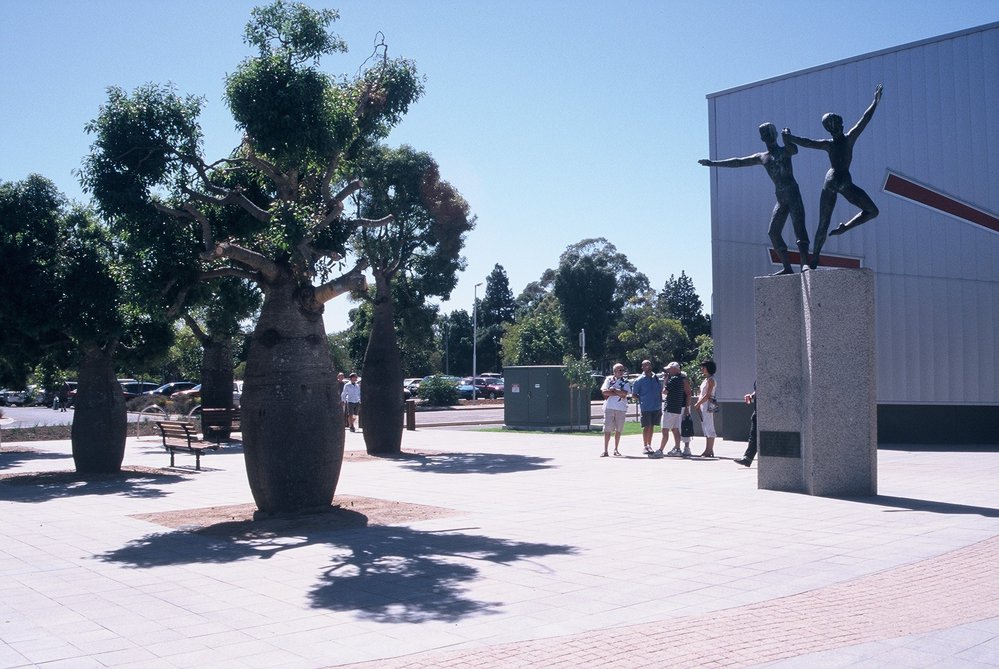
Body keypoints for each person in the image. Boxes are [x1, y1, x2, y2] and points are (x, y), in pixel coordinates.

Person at [782, 84, 883, 268]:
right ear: (828, 130)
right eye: (830, 127)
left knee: (873, 211)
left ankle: (845, 227)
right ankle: (815, 258)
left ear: (841, 125)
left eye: (835, 125)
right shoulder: (829, 144)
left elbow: (864, 120)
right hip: (832, 182)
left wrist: (875, 102)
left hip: (844, 183)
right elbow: (808, 142)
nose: (833, 129)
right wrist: (790, 137)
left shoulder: (849, 138)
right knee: (823, 222)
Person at [699, 122, 810, 274]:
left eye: (771, 132)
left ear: (776, 134)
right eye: (765, 133)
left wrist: (787, 137)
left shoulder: (784, 151)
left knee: (799, 228)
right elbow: (738, 162)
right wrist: (713, 163)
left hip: (792, 194)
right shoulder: (762, 157)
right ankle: (787, 267)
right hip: (780, 197)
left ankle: (805, 264)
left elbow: (794, 149)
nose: (769, 135)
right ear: (761, 137)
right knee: (773, 233)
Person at [657, 361, 693, 457]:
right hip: (677, 407)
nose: (668, 372)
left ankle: (661, 450)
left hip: (673, 407)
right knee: (676, 429)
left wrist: (687, 408)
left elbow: (665, 391)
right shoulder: (679, 379)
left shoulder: (675, 379)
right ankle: (678, 448)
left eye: (669, 370)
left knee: (668, 429)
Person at [631, 359, 663, 456]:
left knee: (652, 426)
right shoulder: (639, 380)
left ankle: (649, 444)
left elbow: (660, 390)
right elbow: (634, 394)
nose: (648, 367)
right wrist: (642, 399)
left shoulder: (656, 378)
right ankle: (645, 446)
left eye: (649, 365)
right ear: (642, 367)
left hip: (656, 406)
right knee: (646, 426)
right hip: (646, 407)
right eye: (645, 365)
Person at [600, 363, 631, 457]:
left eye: (622, 370)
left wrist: (614, 390)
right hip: (609, 407)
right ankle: (605, 450)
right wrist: (618, 392)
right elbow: (604, 392)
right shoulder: (609, 379)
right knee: (607, 429)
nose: (622, 372)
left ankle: (616, 449)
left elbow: (625, 394)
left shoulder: (625, 382)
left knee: (619, 430)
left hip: (621, 408)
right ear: (614, 371)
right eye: (619, 370)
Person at [692, 359, 719, 457]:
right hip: (703, 405)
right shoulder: (706, 379)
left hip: (708, 404)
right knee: (705, 426)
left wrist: (698, 403)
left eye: (703, 367)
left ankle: (710, 449)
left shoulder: (711, 380)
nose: (702, 369)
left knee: (709, 426)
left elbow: (707, 395)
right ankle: (707, 449)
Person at [735, 386, 757, 467]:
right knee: (753, 436)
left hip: (763, 412)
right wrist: (751, 396)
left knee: (755, 437)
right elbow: (757, 390)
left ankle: (747, 459)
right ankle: (747, 459)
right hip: (757, 411)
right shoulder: (758, 378)